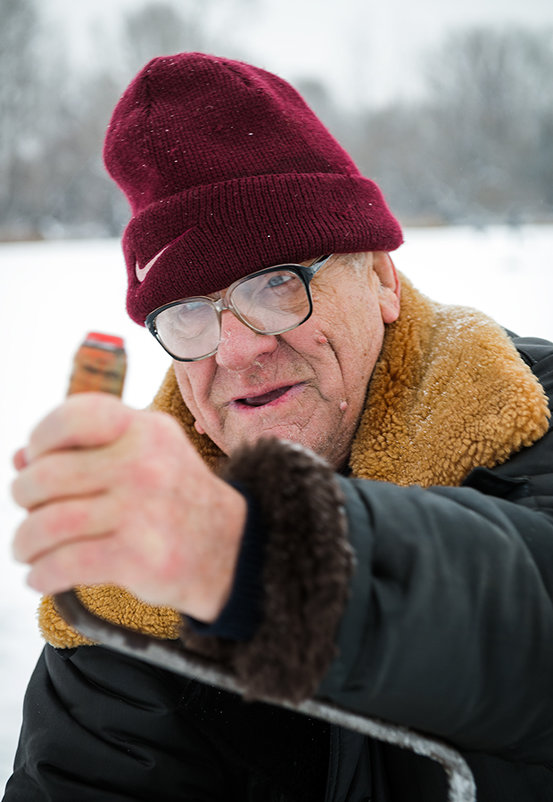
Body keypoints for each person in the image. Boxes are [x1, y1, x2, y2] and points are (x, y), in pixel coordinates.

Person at [3, 51, 553, 802]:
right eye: (189, 314)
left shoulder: (532, 415)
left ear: (382, 281)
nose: (236, 349)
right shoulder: (127, 581)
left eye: (275, 284)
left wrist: (252, 554)